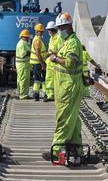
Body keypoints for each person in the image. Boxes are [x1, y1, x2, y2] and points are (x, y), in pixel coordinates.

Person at [44, 12, 84, 161]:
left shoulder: (72, 43)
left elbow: (70, 62)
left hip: (69, 88)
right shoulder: (67, 41)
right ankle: (76, 149)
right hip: (66, 87)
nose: (59, 30)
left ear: (68, 26)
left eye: (61, 27)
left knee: (64, 119)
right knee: (73, 120)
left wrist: (55, 58)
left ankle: (57, 151)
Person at [43, 21, 60, 102]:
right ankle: (49, 94)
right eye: (48, 30)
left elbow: (60, 51)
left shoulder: (58, 38)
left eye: (50, 29)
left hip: (55, 63)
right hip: (50, 63)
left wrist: (51, 53)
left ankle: (52, 95)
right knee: (49, 79)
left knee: (54, 79)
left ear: (54, 29)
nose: (48, 31)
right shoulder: (51, 38)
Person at [29, 24, 46, 101]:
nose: (42, 33)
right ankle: (45, 94)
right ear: (37, 32)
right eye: (40, 32)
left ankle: (36, 94)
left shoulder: (37, 39)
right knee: (42, 79)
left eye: (42, 32)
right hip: (38, 63)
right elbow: (38, 53)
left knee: (37, 79)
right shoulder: (37, 41)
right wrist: (42, 64)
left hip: (36, 62)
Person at [14, 29, 31, 100]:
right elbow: (23, 55)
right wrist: (31, 52)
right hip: (22, 64)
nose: (27, 38)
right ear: (23, 37)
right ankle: (23, 95)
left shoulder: (23, 43)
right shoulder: (22, 44)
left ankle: (22, 93)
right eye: (26, 37)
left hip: (23, 64)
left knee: (21, 79)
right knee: (23, 79)